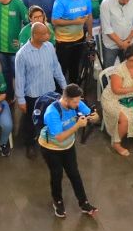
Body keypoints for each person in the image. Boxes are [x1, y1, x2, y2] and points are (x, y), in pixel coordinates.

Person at [40, 84, 98, 218]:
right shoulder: (52, 112)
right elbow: (59, 137)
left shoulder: (76, 103)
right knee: (57, 174)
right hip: (51, 148)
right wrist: (77, 125)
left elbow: (94, 116)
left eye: (79, 101)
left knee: (74, 173)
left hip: (68, 146)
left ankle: (84, 203)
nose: (78, 104)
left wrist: (94, 116)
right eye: (75, 102)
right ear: (66, 100)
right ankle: (58, 201)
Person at [14, 22, 68, 159]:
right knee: (31, 121)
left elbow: (56, 68)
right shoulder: (22, 54)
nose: (48, 35)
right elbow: (20, 78)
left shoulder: (49, 47)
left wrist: (64, 86)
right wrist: (21, 99)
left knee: (50, 118)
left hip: (49, 92)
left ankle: (47, 141)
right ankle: (30, 144)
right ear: (35, 35)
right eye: (44, 34)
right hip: (33, 95)